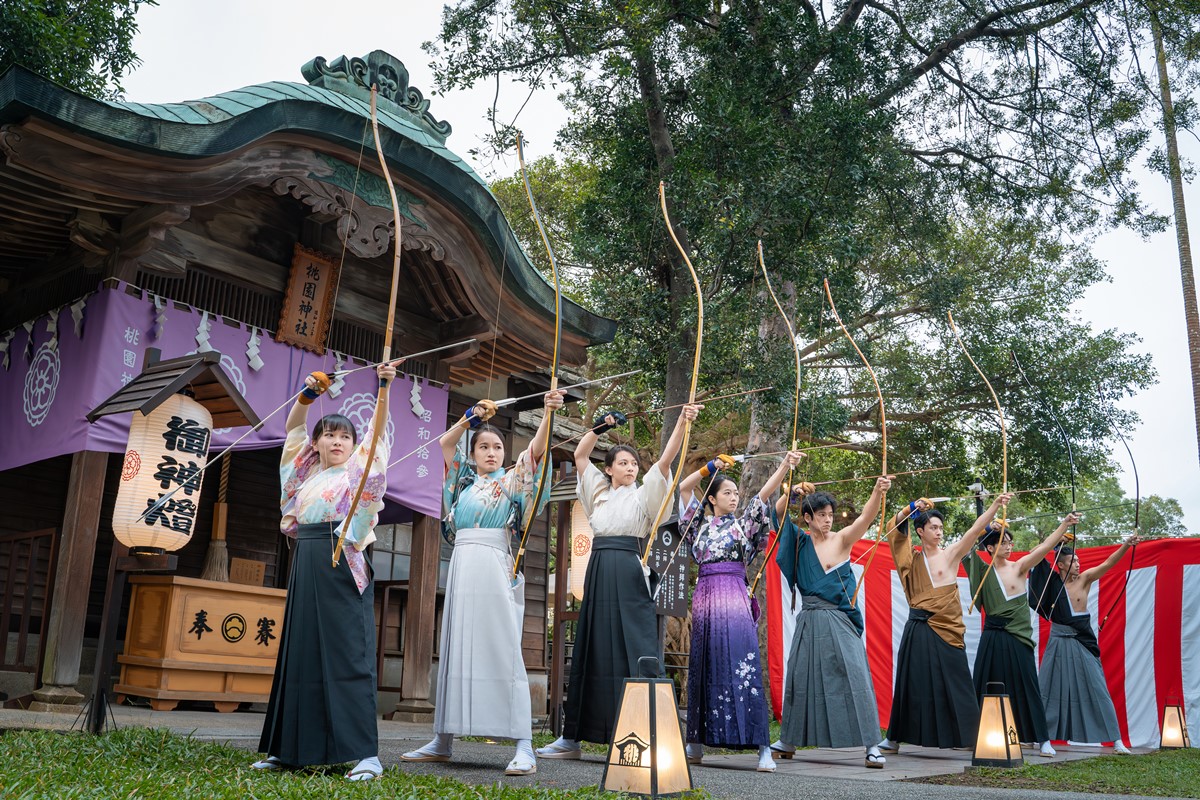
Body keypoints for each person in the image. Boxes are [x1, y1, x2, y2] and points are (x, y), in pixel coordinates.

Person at [400, 389, 565, 775]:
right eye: (483, 447)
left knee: (502, 646)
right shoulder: (462, 484)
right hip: (462, 563)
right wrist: (469, 420)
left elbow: (536, 455)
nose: (491, 452)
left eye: (497, 447)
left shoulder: (510, 481)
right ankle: (443, 739)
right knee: (457, 646)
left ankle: (523, 742)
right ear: (473, 454)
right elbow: (444, 444)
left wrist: (548, 413)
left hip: (494, 562)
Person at [253, 362, 397, 781]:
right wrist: (307, 397)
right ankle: (289, 750)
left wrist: (383, 386)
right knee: (300, 653)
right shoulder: (306, 473)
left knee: (347, 653)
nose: (337, 440)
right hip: (307, 558)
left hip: (343, 554)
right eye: (329, 434)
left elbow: (376, 437)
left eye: (344, 436)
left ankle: (365, 753)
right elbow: (294, 428)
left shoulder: (357, 470)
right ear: (316, 444)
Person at [537, 403, 703, 758]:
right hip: (599, 569)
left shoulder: (644, 496)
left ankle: (647, 735)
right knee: (591, 647)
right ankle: (573, 737)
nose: (630, 467)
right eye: (623, 463)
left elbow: (664, 463)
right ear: (609, 469)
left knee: (638, 646)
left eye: (633, 463)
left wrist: (683, 425)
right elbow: (582, 455)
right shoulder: (597, 492)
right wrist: (600, 427)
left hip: (629, 570)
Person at [676, 449, 804, 772]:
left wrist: (785, 466)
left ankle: (761, 746)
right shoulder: (699, 526)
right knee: (704, 664)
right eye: (727, 493)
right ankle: (695, 742)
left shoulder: (741, 526)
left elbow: (761, 496)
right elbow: (683, 488)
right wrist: (709, 468)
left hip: (733, 596)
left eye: (735, 493)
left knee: (742, 664)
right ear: (712, 499)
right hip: (705, 597)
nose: (734, 497)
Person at [769, 476, 892, 769]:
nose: (827, 520)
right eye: (821, 515)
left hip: (839, 618)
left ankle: (872, 745)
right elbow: (777, 514)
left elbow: (866, 518)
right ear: (808, 518)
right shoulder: (799, 542)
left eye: (830, 515)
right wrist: (792, 493)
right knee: (801, 677)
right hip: (809, 619)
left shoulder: (841, 539)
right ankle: (788, 740)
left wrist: (877, 491)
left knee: (855, 676)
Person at [877, 491, 1013, 754]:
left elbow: (974, 531)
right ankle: (894, 738)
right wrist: (910, 507)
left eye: (940, 527)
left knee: (958, 681)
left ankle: (972, 737)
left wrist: (995, 504)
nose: (939, 532)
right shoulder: (911, 559)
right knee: (910, 682)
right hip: (918, 626)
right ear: (920, 531)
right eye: (933, 527)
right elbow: (894, 531)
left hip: (947, 628)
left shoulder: (950, 554)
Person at [967, 512, 1078, 757]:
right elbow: (966, 548)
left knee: (1028, 687)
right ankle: (975, 736)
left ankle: (1042, 739)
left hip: (1017, 635)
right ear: (990, 547)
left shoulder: (1020, 567)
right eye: (1003, 543)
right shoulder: (983, 570)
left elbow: (1046, 546)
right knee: (984, 683)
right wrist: (985, 528)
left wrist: (1064, 524)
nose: (1009, 546)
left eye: (1010, 542)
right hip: (993, 635)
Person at [1030, 532, 1139, 754]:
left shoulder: (1085, 579)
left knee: (1098, 689)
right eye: (1073, 561)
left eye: (1078, 560)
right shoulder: (1053, 583)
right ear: (1060, 565)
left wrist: (1127, 545)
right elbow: (1035, 555)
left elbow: (1109, 563)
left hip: (1081, 639)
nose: (1078, 564)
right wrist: (1057, 540)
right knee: (1048, 688)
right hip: (1059, 639)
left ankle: (1116, 740)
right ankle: (1043, 739)